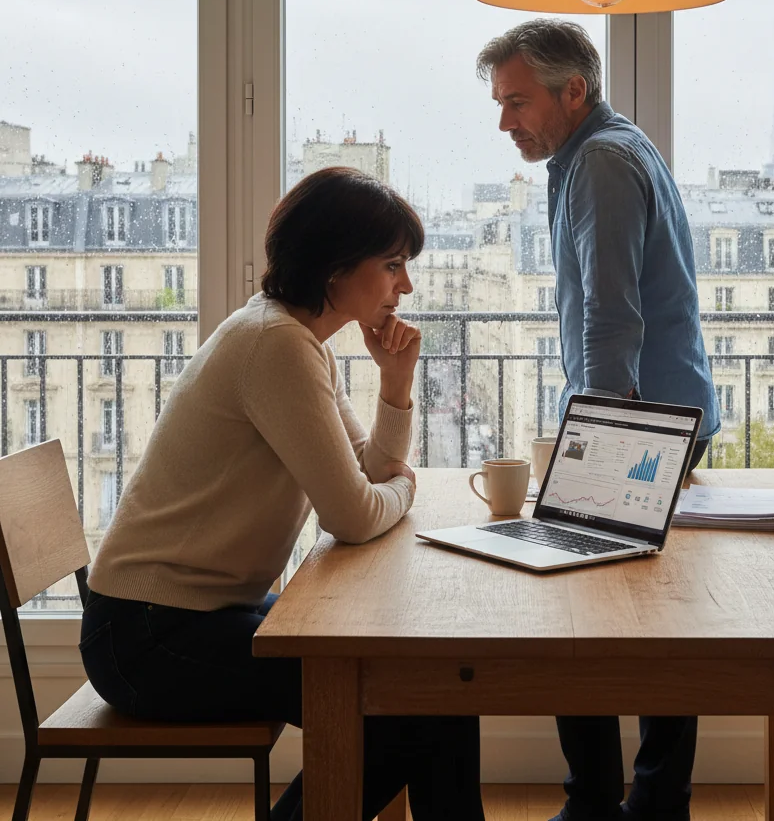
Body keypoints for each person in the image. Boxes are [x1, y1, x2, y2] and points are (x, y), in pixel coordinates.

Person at [79, 167, 486, 821]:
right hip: (145, 638)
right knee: (412, 708)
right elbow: (355, 514)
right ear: (335, 266)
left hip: (191, 614)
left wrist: (396, 382)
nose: (404, 285)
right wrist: (406, 490)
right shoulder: (275, 346)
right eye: (392, 264)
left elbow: (372, 470)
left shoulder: (294, 340)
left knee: (426, 688)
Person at [477, 19, 720, 821]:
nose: (505, 121)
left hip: (636, 422)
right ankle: (650, 803)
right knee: (653, 620)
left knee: (580, 615)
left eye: (517, 102)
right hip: (653, 413)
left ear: (571, 90)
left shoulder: (602, 164)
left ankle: (603, 805)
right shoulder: (606, 149)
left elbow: (611, 318)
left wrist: (596, 450)